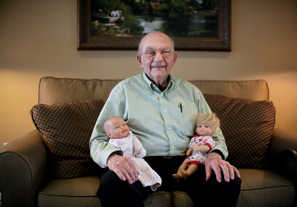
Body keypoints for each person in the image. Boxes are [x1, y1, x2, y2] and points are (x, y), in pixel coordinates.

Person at [90, 31, 241, 207]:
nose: (158, 58)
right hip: (142, 165)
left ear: (174, 58)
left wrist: (215, 155)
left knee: (228, 179)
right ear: (140, 60)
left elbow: (216, 135)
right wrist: (113, 159)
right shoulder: (123, 91)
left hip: (190, 162)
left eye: (165, 52)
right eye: (151, 52)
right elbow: (98, 139)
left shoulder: (191, 92)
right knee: (112, 183)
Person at [104, 116, 162, 191]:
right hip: (124, 162)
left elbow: (137, 144)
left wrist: (139, 151)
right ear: (109, 134)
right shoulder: (113, 143)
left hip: (136, 158)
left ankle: (151, 181)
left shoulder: (131, 136)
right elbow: (115, 154)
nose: (122, 128)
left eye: (124, 124)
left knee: (144, 168)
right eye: (117, 127)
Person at [173, 113, 219, 181]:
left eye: (206, 126)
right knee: (185, 162)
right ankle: (179, 174)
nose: (202, 128)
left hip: (202, 156)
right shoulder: (194, 138)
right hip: (193, 155)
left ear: (213, 130)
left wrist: (199, 148)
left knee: (194, 163)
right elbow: (191, 147)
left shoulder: (209, 139)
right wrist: (190, 150)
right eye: (200, 126)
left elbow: (207, 147)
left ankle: (187, 173)